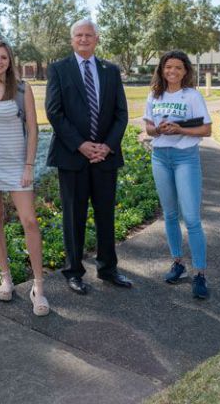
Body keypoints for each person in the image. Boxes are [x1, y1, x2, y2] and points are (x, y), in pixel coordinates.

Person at [45, 18, 130, 295]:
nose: (84, 39)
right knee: (74, 216)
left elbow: (121, 113)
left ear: (97, 39)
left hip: (105, 156)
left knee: (106, 215)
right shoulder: (58, 69)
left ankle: (108, 269)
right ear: (72, 40)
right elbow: (54, 112)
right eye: (79, 35)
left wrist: (106, 146)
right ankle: (74, 272)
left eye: (89, 35)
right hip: (72, 157)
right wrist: (81, 144)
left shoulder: (111, 71)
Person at [0, 40, 49, 316]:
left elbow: (33, 128)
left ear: (10, 60)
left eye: (3, 57)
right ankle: (6, 277)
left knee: (29, 220)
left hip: (17, 165)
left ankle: (38, 287)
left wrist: (29, 165)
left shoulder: (22, 89)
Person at [143, 50, 212, 299]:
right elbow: (149, 128)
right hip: (160, 157)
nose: (172, 72)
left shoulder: (192, 95)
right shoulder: (154, 95)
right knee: (170, 215)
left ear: (185, 71)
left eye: (178, 68)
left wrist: (180, 128)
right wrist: (159, 129)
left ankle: (200, 273)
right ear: (162, 70)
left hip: (185, 158)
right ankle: (178, 264)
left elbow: (206, 129)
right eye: (168, 67)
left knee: (191, 218)